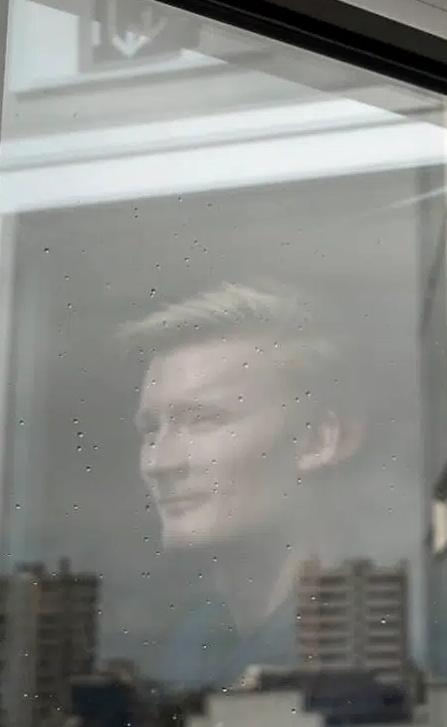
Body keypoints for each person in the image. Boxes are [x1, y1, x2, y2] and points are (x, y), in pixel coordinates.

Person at [122, 282, 365, 687]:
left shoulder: (378, 637)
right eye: (150, 430)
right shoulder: (191, 645)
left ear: (319, 440)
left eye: (204, 419)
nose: (159, 463)